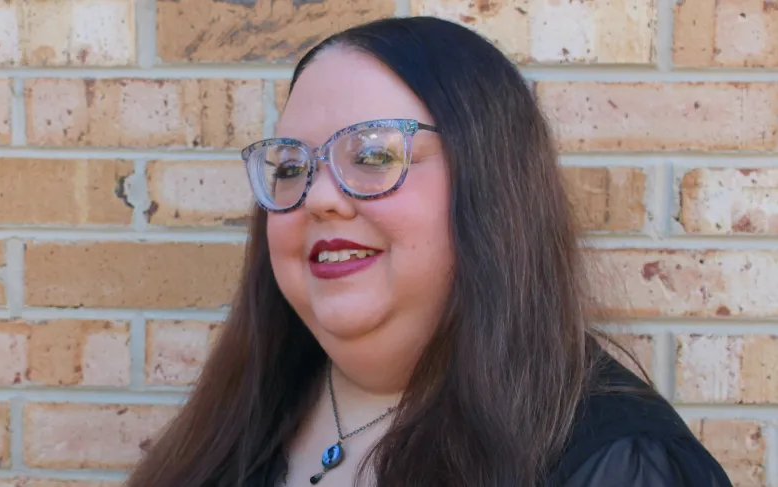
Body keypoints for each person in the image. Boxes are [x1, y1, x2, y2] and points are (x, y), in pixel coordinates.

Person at [124, 16, 733, 487]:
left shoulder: (620, 463)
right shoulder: (244, 421)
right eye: (292, 166)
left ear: (489, 188)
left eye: (373, 156)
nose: (319, 199)